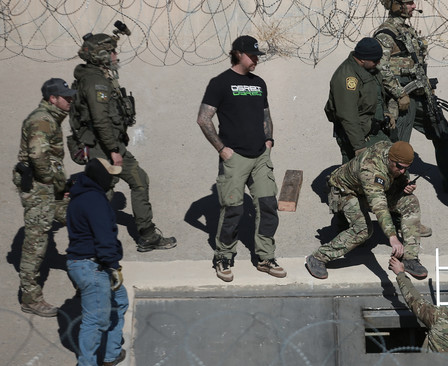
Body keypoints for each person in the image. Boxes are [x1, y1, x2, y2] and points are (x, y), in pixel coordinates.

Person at [70, 31, 176, 252]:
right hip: (102, 146)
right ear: (101, 55)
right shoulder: (95, 81)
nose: (116, 56)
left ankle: (147, 235)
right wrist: (114, 150)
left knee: (139, 180)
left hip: (112, 143)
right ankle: (91, 244)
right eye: (112, 52)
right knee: (102, 193)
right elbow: (100, 120)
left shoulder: (100, 76)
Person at [197, 35, 286, 282]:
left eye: (257, 54)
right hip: (234, 157)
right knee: (233, 209)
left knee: (268, 206)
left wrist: (268, 141)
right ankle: (223, 256)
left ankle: (266, 257)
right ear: (238, 54)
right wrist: (222, 149)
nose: (256, 58)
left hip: (260, 156)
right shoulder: (220, 83)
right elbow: (204, 119)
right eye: (252, 54)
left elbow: (266, 115)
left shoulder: (259, 83)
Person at [374, 0, 448, 192]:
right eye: (408, 3)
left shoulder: (406, 31)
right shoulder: (386, 35)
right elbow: (380, 68)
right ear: (396, 5)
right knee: (399, 147)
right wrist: (399, 93)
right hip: (402, 100)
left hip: (421, 95)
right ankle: (394, 191)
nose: (413, 6)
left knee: (442, 133)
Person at [305, 140, 428, 280]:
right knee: (363, 230)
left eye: (407, 167)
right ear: (390, 159)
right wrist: (392, 237)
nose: (402, 171)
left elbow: (396, 177)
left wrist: (404, 185)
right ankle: (318, 258)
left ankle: (410, 258)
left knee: (410, 202)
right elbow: (379, 206)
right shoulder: (371, 170)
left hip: (366, 190)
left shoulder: (393, 153)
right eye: (399, 167)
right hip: (346, 191)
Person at [13, 78, 77, 317]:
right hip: (39, 189)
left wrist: (60, 186)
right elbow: (39, 157)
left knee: (76, 216)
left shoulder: (52, 118)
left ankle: (83, 275)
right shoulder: (42, 120)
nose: (70, 100)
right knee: (35, 244)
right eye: (66, 97)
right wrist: (54, 183)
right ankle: (30, 298)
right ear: (53, 99)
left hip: (49, 187)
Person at [66, 158, 129, 366]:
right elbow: (104, 237)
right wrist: (113, 266)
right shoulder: (94, 200)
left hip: (89, 264)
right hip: (93, 267)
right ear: (99, 177)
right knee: (94, 322)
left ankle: (111, 355)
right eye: (110, 175)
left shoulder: (81, 193)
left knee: (120, 301)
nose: (112, 179)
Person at [325, 37, 395, 163]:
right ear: (363, 59)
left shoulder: (370, 70)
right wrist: (359, 146)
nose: (378, 63)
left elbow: (377, 94)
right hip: (357, 136)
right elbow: (347, 115)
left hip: (373, 129)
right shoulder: (347, 77)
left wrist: (385, 112)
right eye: (375, 60)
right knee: (357, 175)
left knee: (391, 162)